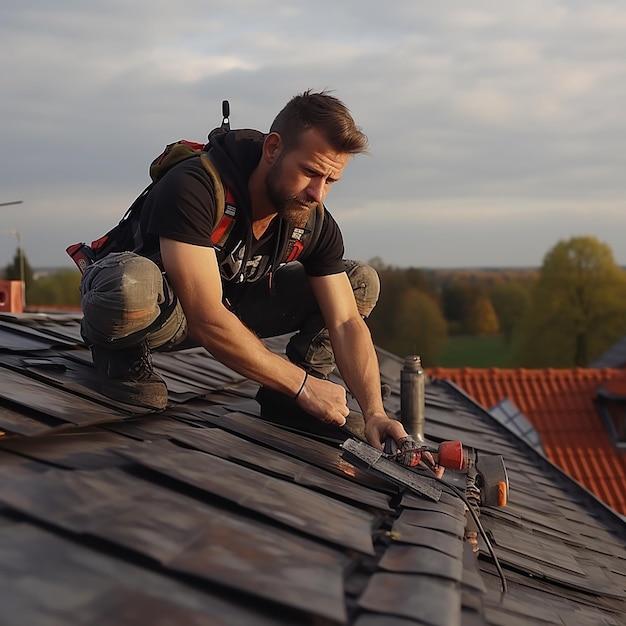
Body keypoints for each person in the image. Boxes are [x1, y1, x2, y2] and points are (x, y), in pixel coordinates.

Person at [79, 89, 411, 451]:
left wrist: (375, 411)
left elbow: (346, 322)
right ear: (273, 149)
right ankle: (119, 352)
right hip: (164, 311)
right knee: (128, 285)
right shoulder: (196, 187)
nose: (318, 194)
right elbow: (205, 317)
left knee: (359, 282)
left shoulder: (311, 220)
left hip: (228, 308)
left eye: (330, 181)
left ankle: (290, 399)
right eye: (310, 172)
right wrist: (300, 383)